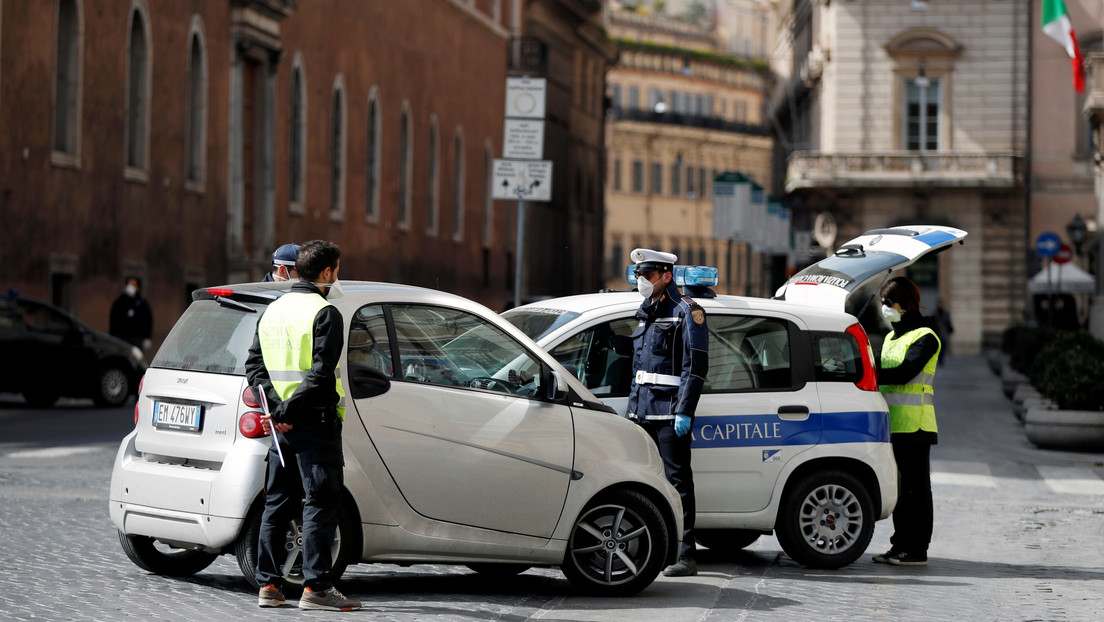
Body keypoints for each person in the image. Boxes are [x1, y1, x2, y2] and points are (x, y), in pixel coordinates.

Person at [244, 240, 360, 611]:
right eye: (336, 271)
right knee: (320, 504)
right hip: (314, 425)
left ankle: (270, 586)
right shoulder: (326, 313)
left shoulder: (272, 311)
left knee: (277, 505)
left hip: (283, 429)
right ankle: (317, 589)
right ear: (325, 273)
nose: (336, 277)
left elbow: (254, 369)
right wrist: (288, 412)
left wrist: (277, 411)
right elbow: (321, 376)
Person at [625, 248, 708, 577]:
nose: (642, 281)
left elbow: (695, 366)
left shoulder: (688, 311)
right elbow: (638, 366)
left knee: (677, 483)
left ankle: (686, 555)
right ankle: (651, 548)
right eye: (639, 276)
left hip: (670, 414)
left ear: (666, 276)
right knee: (641, 484)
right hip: (641, 412)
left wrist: (684, 410)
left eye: (648, 275)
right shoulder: (645, 310)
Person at [871, 276, 941, 567]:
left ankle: (917, 549)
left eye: (889, 303)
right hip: (892, 424)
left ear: (905, 304)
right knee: (899, 490)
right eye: (882, 303)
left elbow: (903, 373)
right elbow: (880, 364)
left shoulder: (926, 335)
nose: (885, 308)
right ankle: (899, 545)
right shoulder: (890, 337)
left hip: (916, 425)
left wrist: (870, 372)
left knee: (917, 490)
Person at [109, 276, 153, 353]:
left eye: (133, 285)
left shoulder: (142, 303)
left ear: (138, 287)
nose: (130, 287)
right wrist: (112, 336)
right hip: (122, 338)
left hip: (137, 339)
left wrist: (147, 337)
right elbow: (113, 319)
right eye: (129, 284)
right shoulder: (119, 302)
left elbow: (149, 320)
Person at [933, 297, 954, 361]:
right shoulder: (934, 313)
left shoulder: (945, 313)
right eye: (939, 303)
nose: (940, 305)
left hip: (944, 333)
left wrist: (950, 329)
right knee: (938, 347)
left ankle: (941, 359)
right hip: (937, 333)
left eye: (941, 303)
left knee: (944, 346)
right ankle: (939, 358)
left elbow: (948, 322)